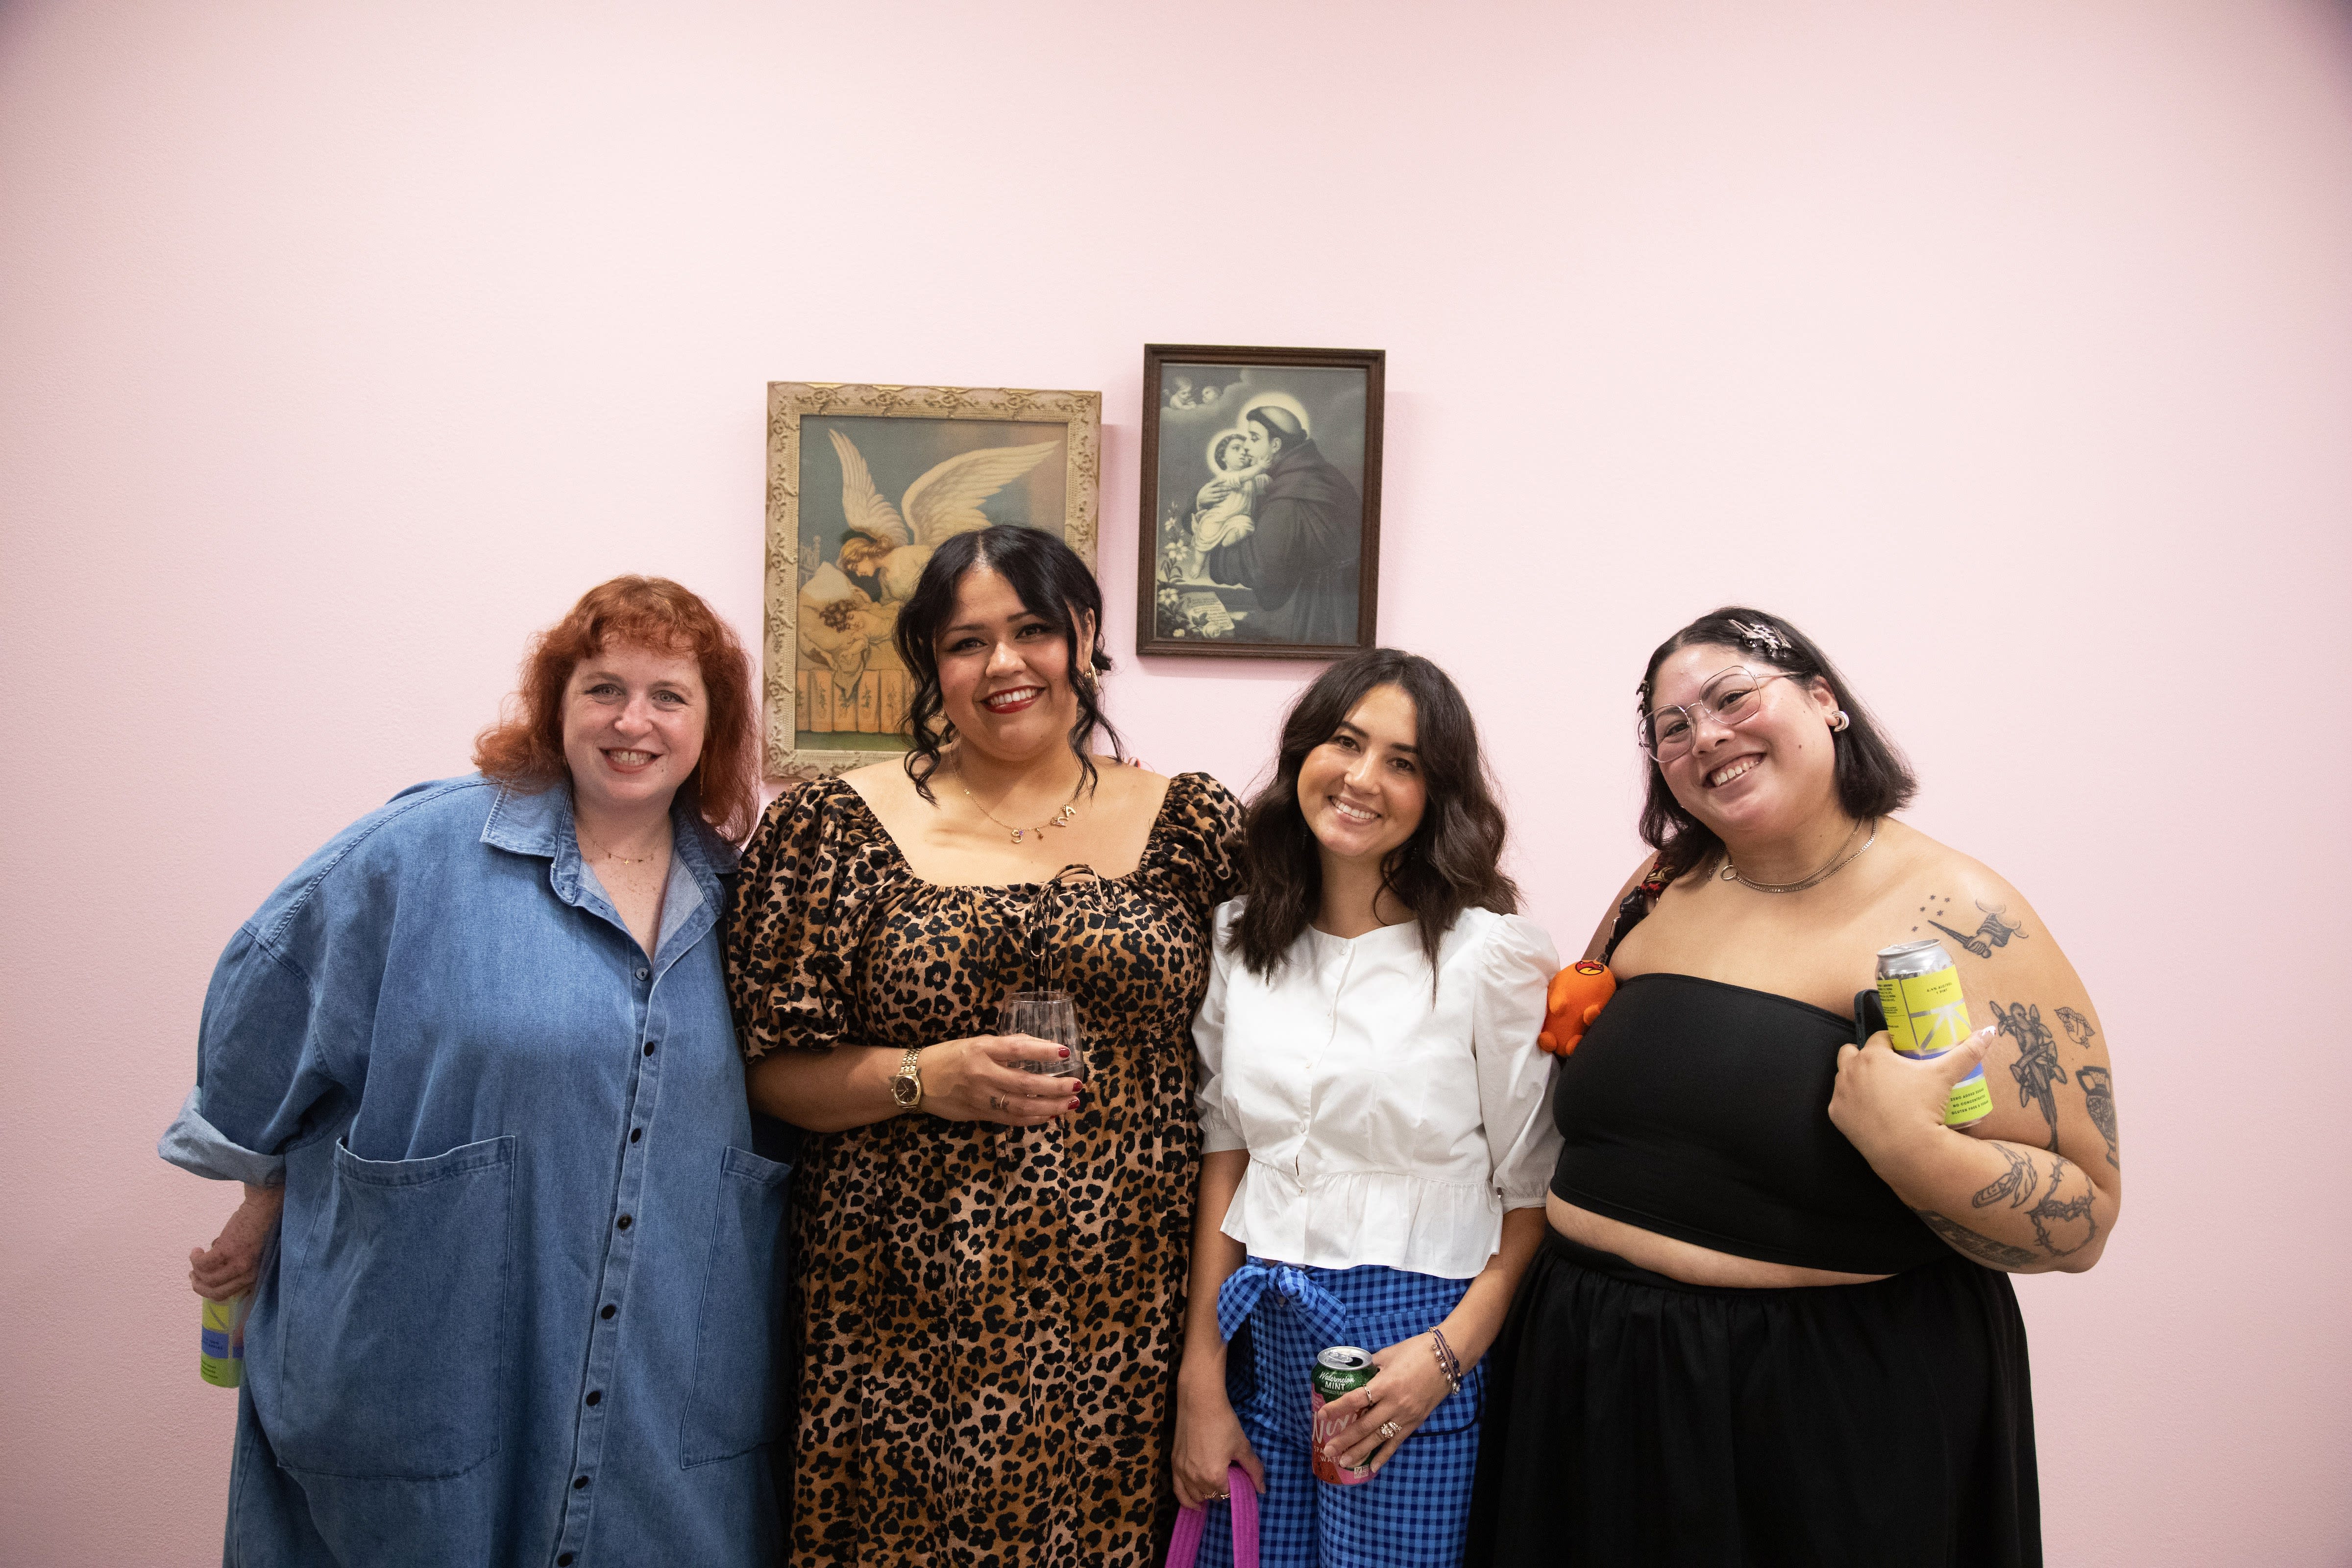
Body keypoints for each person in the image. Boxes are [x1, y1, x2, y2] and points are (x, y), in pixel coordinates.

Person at [1467, 608, 2123, 1566]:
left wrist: (1917, 1149)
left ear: (1826, 699)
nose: (1707, 736)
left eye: (1732, 696)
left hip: (1819, 1412)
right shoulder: (1664, 882)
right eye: (1673, 728)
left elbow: (2086, 1219)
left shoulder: (1961, 915)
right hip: (1588, 1375)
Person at [159, 577, 782, 1567]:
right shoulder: (420, 852)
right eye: (603, 688)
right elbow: (272, 998)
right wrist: (262, 1183)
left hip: (660, 1411)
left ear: (714, 724)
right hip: (425, 1377)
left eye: (670, 695)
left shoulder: (751, 904)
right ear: (555, 704)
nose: (634, 720)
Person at [725, 523, 1242, 1566]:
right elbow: (770, 1072)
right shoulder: (833, 827)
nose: (1003, 664)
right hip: (895, 1319)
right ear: (929, 662)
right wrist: (926, 1077)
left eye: (1033, 629)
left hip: (1126, 1323)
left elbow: (1254, 1079)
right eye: (966, 642)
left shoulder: (1195, 824)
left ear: (1085, 638)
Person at [1173, 649, 1560, 1568]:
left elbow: (1532, 1192)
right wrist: (1201, 1373)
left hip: (1417, 1342)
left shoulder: (1490, 958)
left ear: (1439, 796)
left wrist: (1447, 1357)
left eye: (1404, 762)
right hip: (1260, 1336)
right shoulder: (1239, 936)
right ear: (1305, 752)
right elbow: (1227, 1152)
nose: (1362, 779)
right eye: (1345, 743)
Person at [1199, 404, 1363, 645]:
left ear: (1275, 446)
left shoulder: (1291, 494)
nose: (1246, 446)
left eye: (1254, 438)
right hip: (1341, 602)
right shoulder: (1319, 473)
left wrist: (1212, 548)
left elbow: (1264, 569)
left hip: (1322, 611)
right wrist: (1200, 504)